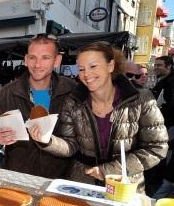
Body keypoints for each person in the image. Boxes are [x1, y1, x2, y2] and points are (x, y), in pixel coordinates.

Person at [28, 42, 168, 190]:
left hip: (124, 186)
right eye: (81, 69)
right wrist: (48, 141)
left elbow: (157, 147)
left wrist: (107, 170)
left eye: (93, 66)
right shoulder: (73, 101)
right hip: (82, 183)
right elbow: (71, 145)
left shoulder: (140, 99)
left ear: (111, 66)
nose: (86, 74)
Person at [0, 34, 75, 178]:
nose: (37, 64)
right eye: (32, 58)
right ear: (26, 60)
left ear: (57, 60)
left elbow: (76, 142)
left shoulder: (72, 91)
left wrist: (49, 141)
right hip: (18, 177)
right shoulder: (7, 93)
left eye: (45, 58)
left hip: (59, 179)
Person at [151, 56, 174, 128]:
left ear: (169, 66)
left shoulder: (171, 82)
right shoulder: (163, 80)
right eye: (155, 65)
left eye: (159, 65)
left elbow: (170, 106)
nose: (155, 67)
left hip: (166, 125)